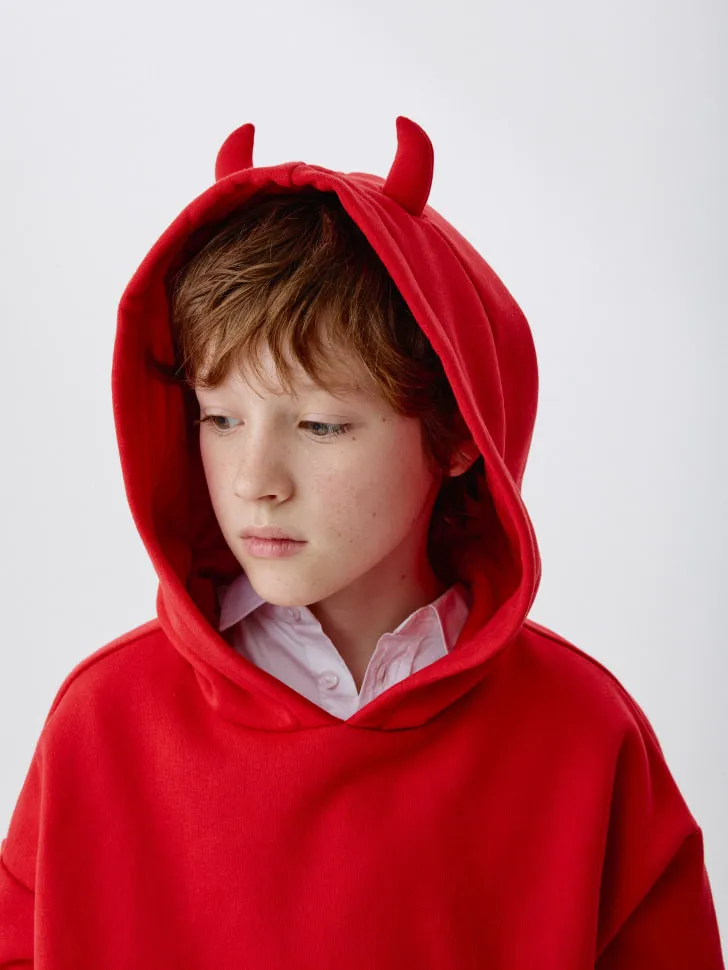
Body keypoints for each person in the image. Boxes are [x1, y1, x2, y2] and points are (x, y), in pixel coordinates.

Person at [0, 116, 723, 968]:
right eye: (221, 418)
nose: (254, 480)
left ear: (459, 435)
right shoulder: (102, 726)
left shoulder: (584, 735)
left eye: (320, 425)